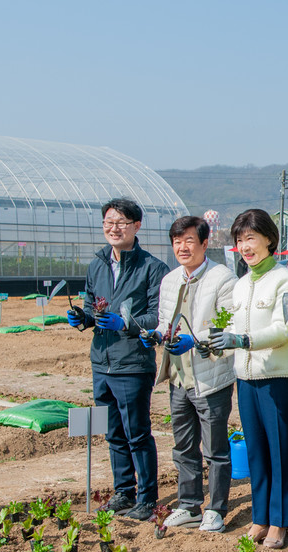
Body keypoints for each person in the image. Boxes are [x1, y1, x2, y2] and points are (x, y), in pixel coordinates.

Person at [66, 198, 169, 520]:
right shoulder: (97, 265)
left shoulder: (152, 268)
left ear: (136, 226)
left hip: (132, 363)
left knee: (137, 433)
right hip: (102, 361)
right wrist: (83, 318)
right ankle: (124, 492)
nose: (114, 228)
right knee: (113, 433)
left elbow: (158, 316)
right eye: (109, 222)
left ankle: (147, 498)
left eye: (121, 222)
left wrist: (125, 323)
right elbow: (90, 304)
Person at [209, 209, 288, 549]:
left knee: (280, 451)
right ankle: (260, 517)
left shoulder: (285, 280)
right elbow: (231, 327)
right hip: (246, 378)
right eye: (239, 240)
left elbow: (284, 329)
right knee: (256, 452)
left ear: (269, 239)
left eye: (251, 238)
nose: (245, 246)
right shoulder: (240, 285)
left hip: (278, 377)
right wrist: (217, 343)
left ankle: (280, 521)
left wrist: (243, 340)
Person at [140, 216, 238, 532]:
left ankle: (216, 509)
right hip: (179, 377)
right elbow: (164, 321)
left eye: (189, 241)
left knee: (215, 449)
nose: (183, 247)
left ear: (204, 244)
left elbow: (228, 327)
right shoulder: (170, 280)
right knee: (183, 446)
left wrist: (195, 341)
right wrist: (156, 334)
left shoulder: (222, 278)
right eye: (177, 241)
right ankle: (189, 505)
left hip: (209, 377)